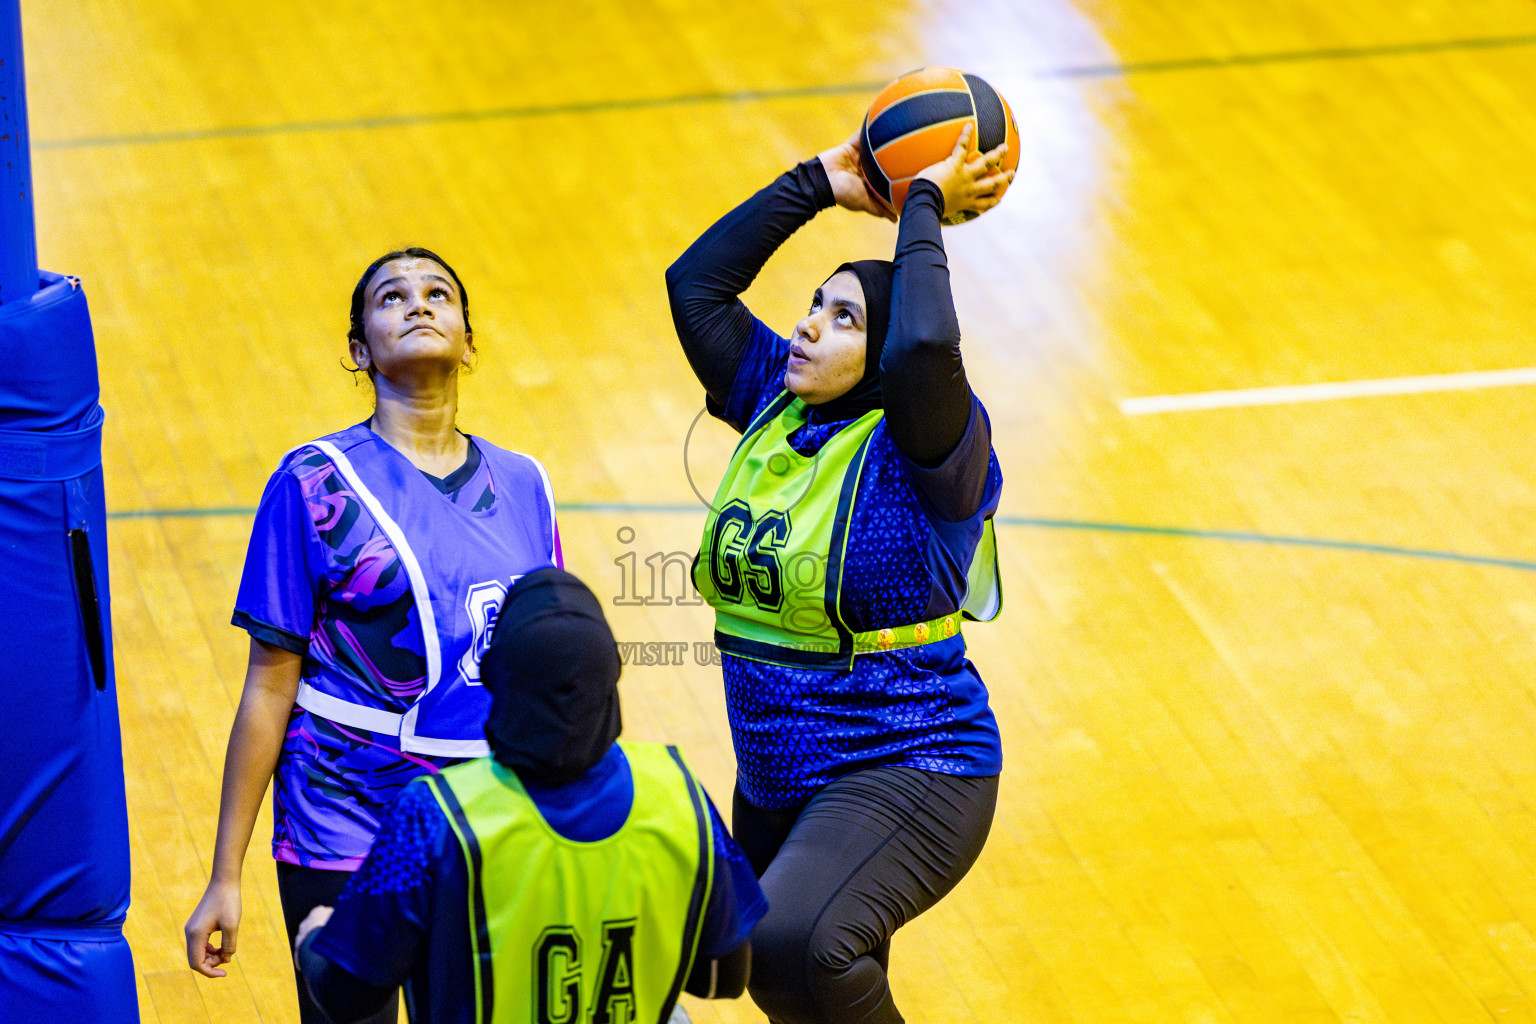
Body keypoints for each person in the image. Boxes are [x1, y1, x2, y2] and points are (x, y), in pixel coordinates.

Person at [664, 123, 1012, 1024]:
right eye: (814, 305)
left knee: (797, 948)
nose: (809, 324)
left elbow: (929, 349)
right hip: (781, 769)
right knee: (789, 982)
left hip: (912, 757)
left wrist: (923, 204)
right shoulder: (770, 403)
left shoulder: (929, 445)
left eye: (845, 316)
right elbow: (694, 286)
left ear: (886, 355)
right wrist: (817, 181)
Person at [184, 247, 563, 1024]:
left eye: (439, 295)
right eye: (392, 298)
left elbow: (556, 671)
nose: (419, 305)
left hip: (482, 813)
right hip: (341, 810)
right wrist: (226, 875)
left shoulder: (526, 483)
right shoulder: (311, 484)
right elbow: (267, 683)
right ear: (360, 350)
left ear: (467, 336)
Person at [291, 568, 766, 1024]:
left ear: (498, 678)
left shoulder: (434, 816)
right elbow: (724, 976)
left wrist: (316, 936)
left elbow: (347, 993)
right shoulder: (680, 793)